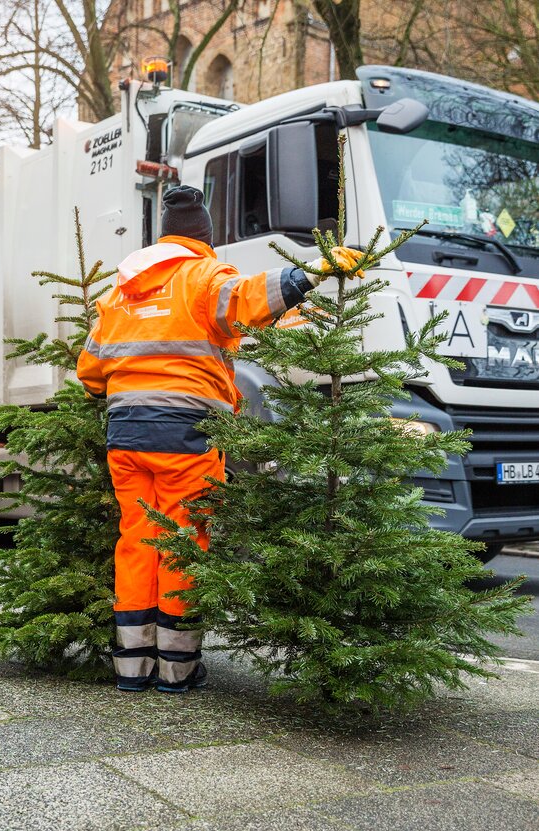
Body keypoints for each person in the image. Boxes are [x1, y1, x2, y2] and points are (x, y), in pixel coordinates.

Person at [76, 185, 362, 693]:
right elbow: (249, 301)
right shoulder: (205, 275)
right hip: (188, 430)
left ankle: (132, 670)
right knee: (184, 540)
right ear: (202, 239)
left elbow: (91, 373)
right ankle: (177, 672)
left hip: (125, 433)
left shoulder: (119, 292)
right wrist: (313, 272)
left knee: (137, 541)